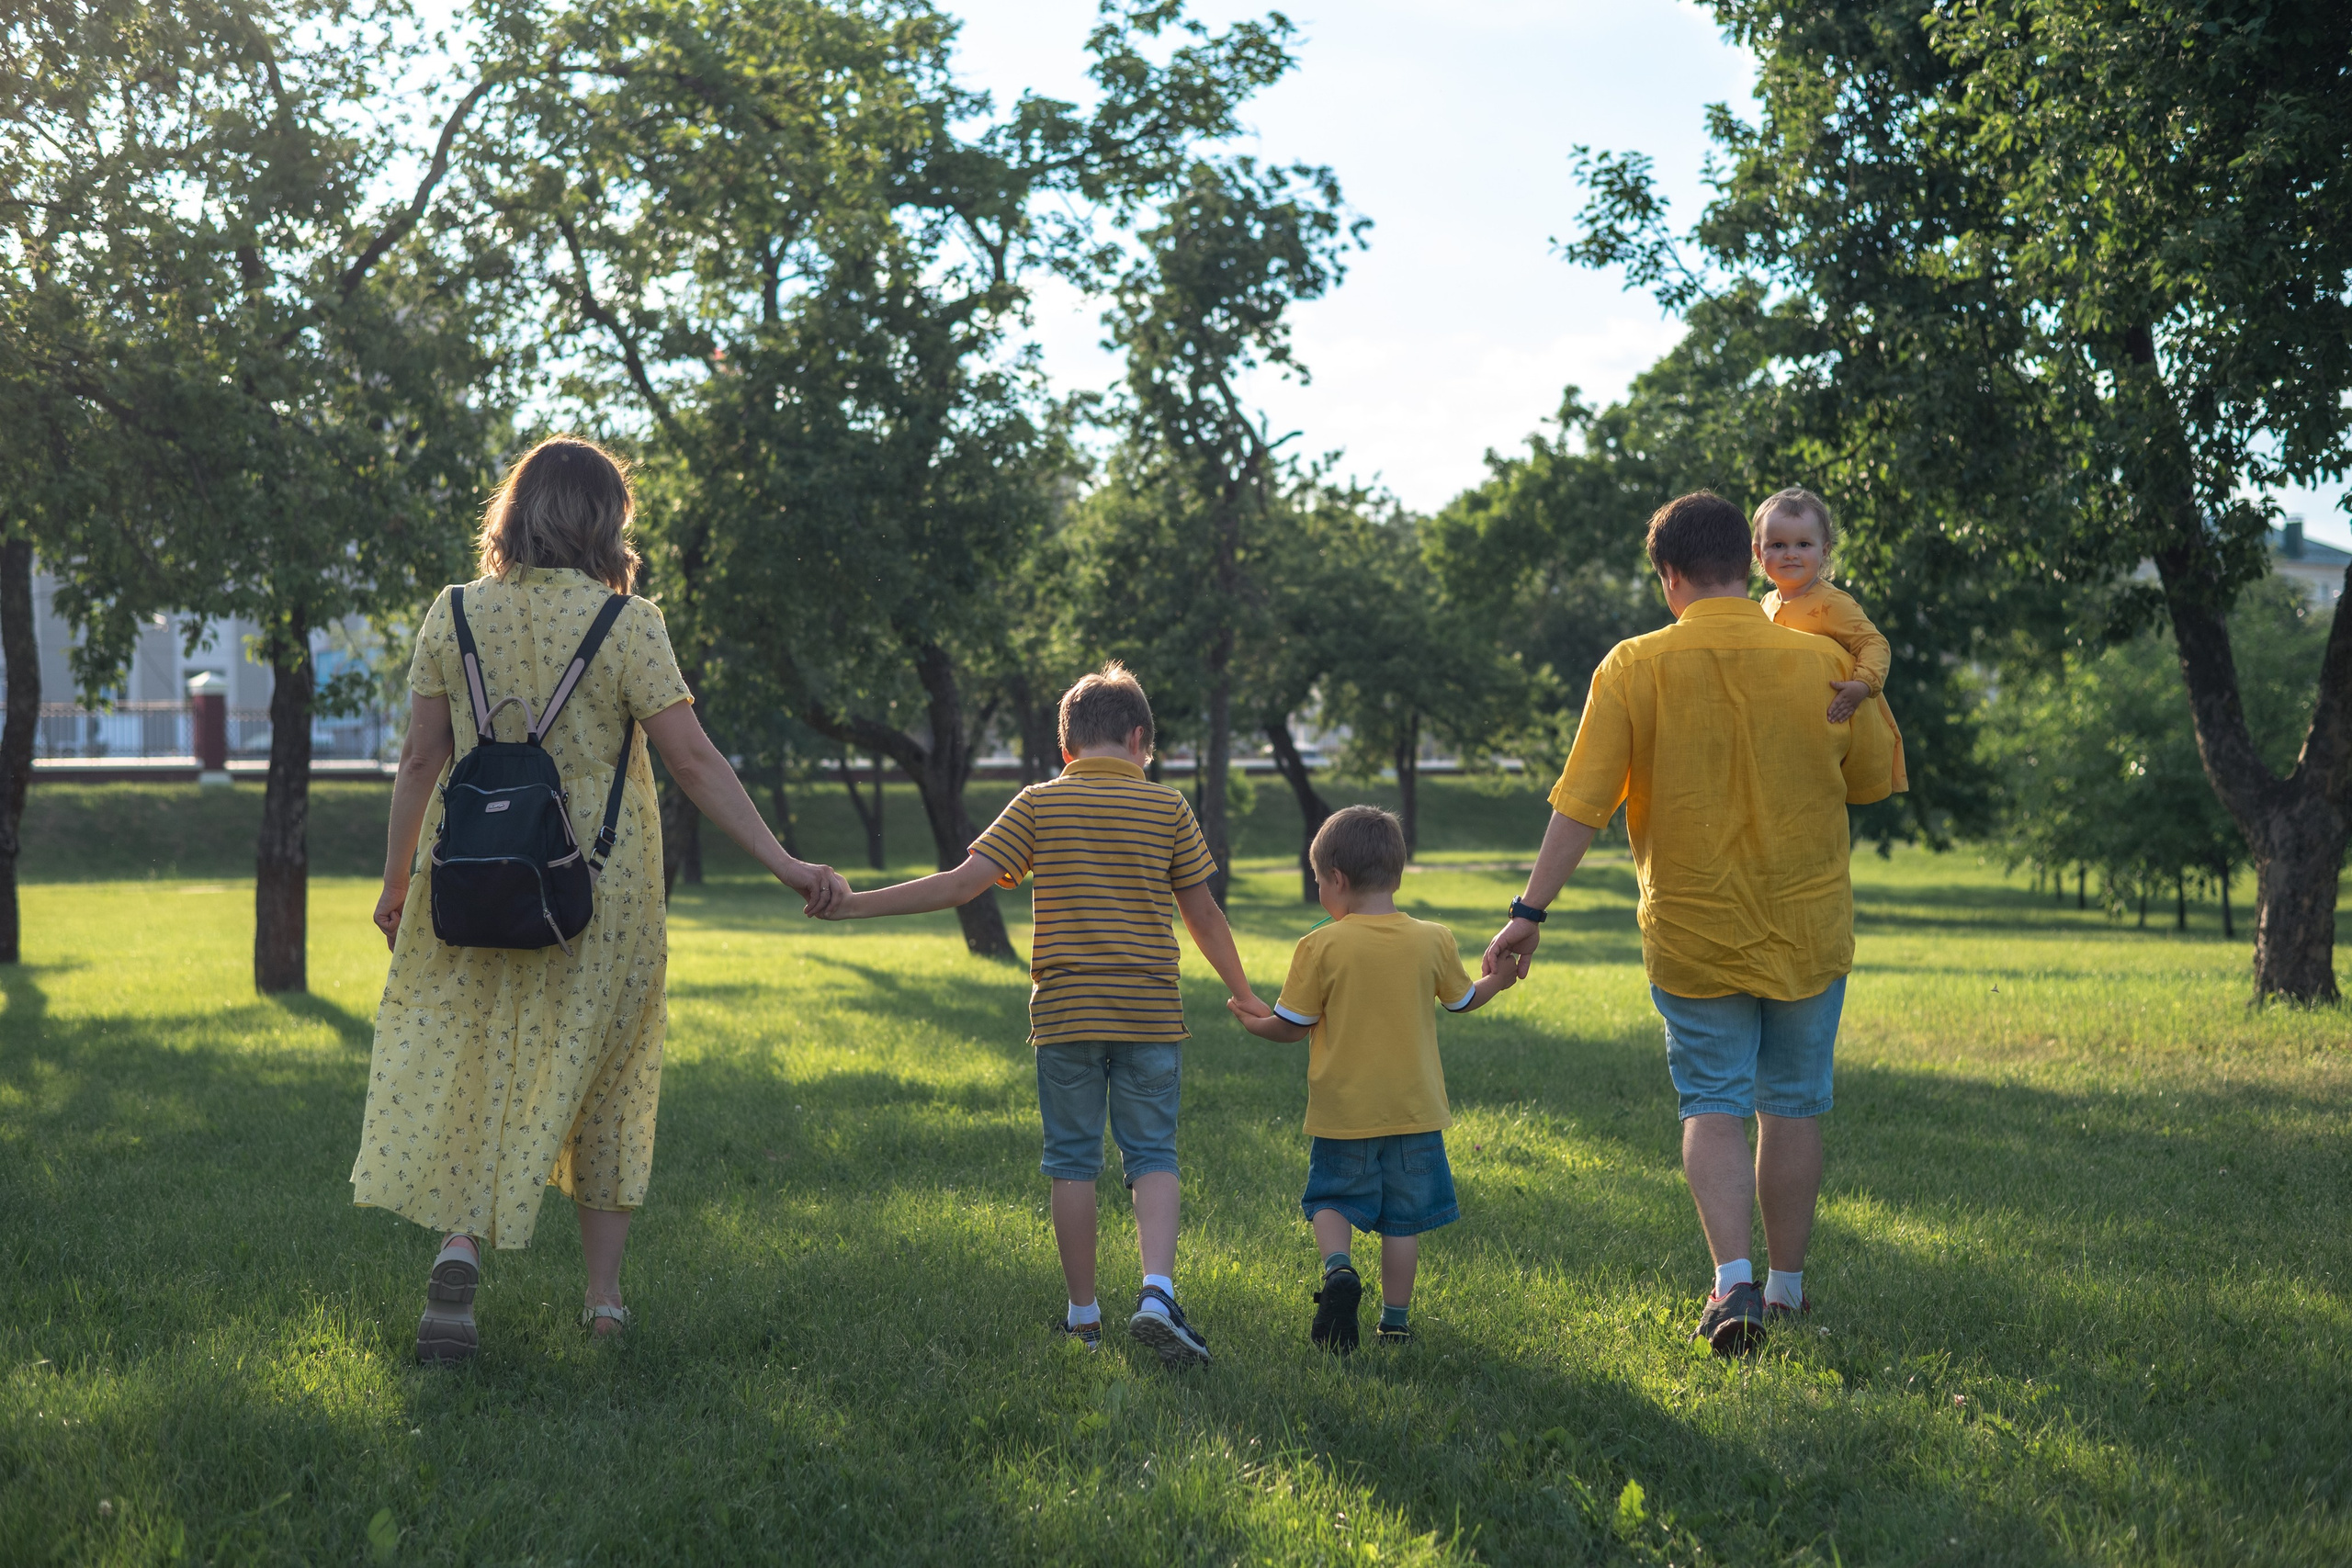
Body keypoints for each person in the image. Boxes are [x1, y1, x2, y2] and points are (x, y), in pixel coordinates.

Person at [352, 435, 849, 1365]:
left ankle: (459, 1246)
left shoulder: (452, 612)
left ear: (513, 513)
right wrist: (784, 864)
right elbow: (692, 761)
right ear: (604, 521)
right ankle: (605, 1303)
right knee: (611, 1078)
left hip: (466, 884)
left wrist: (395, 885)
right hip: (597, 894)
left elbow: (419, 758)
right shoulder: (628, 625)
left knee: (478, 1065)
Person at [1483, 491, 1895, 1357]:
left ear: (1669, 576)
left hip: (1693, 926)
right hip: (1807, 924)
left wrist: (1528, 913)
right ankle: (1787, 1288)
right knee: (1793, 1105)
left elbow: (1581, 806)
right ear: (1748, 564)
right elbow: (1866, 777)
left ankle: (1730, 1282)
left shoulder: (1633, 665)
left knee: (1712, 1102)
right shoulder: (1825, 659)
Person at [815, 663, 1261, 1368]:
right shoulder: (1168, 807)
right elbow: (1201, 910)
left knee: (1073, 1161)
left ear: (1066, 748)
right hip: (1148, 1008)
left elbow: (962, 884)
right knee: (1152, 1153)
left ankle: (1083, 1318)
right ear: (1140, 737)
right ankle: (1156, 1293)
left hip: (1065, 1012)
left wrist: (855, 903)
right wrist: (1244, 992)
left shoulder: (1038, 803)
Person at [1227, 806, 1515, 1352]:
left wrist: (1253, 1021)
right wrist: (1497, 981)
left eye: (1318, 881)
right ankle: (1395, 1323)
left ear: (1337, 879)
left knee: (1332, 1198)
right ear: (1396, 873)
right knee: (1401, 1223)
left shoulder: (1322, 944)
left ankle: (1338, 1271)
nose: (1319, 891)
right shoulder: (1433, 939)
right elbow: (1462, 1000)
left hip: (1344, 1113)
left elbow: (1291, 1028)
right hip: (1414, 1110)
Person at [1753, 486, 1909, 792]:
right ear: (1759, 553)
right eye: (1778, 545)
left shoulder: (1831, 603)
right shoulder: (1765, 604)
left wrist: (1862, 685)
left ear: (1824, 550)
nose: (1791, 553)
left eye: (1803, 544)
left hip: (1834, 721)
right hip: (1791, 725)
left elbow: (1874, 644)